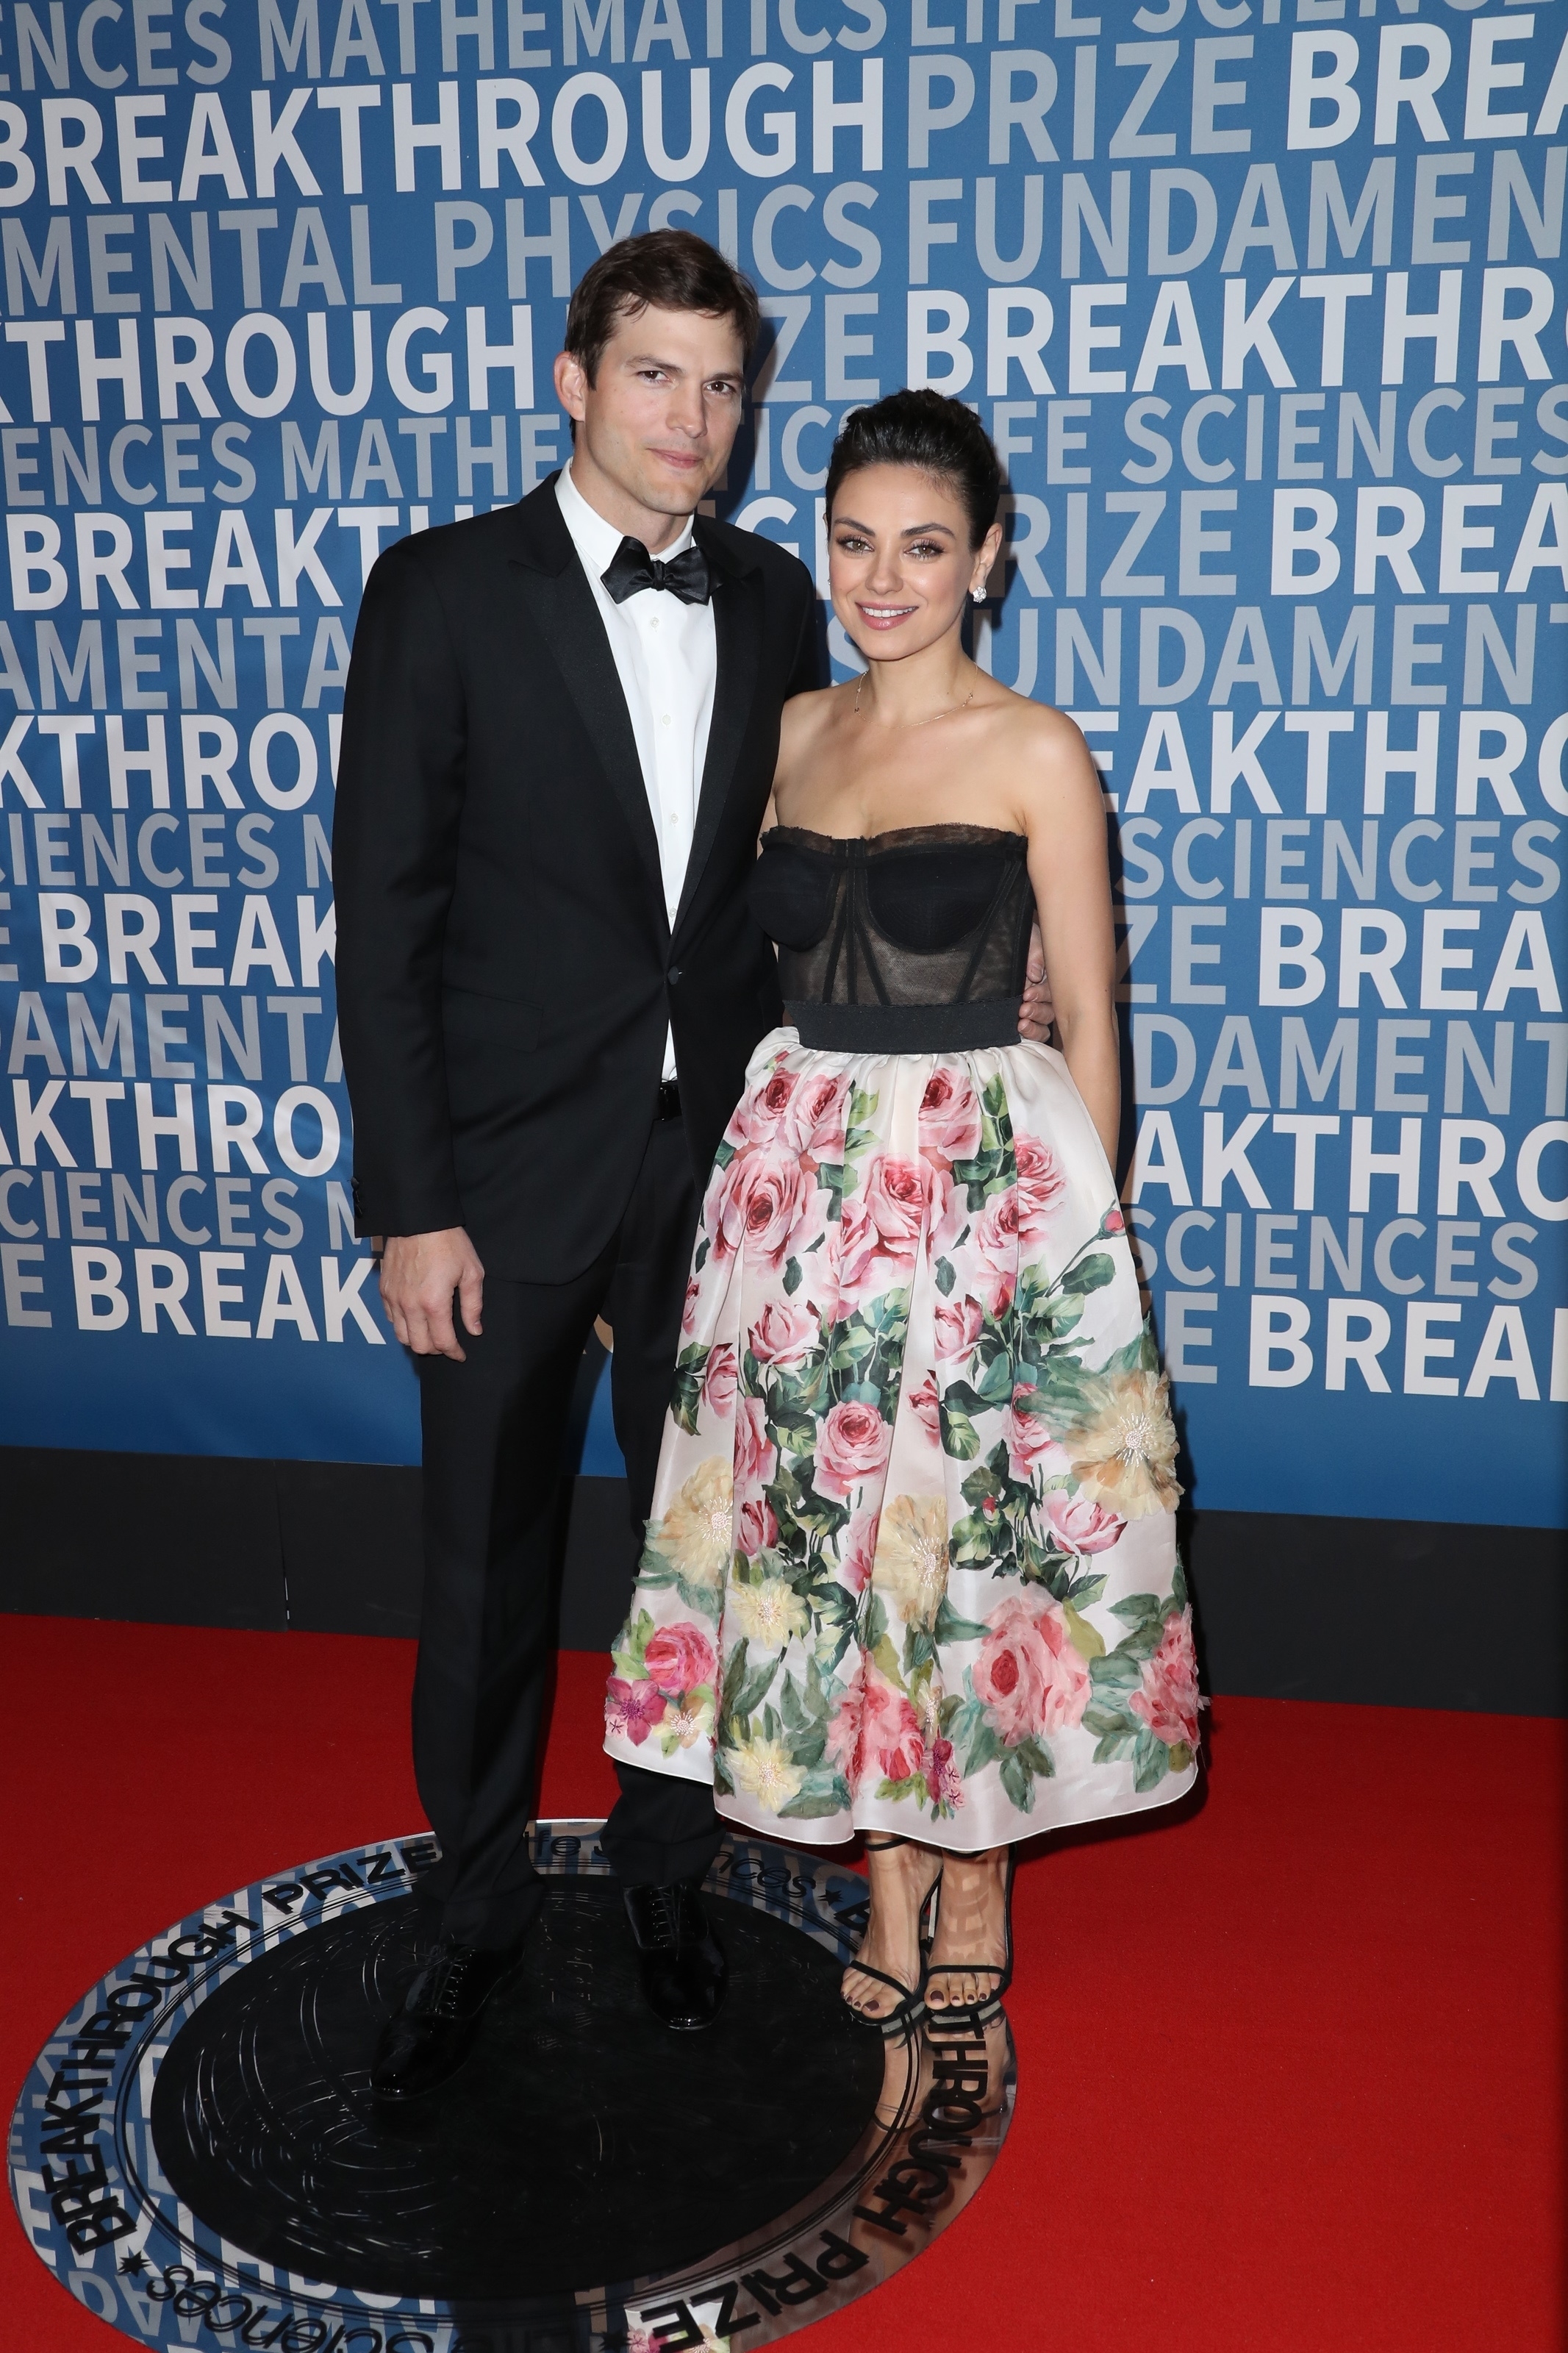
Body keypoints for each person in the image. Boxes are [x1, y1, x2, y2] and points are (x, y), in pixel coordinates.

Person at [336, 233, 1056, 2096]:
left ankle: (671, 1870)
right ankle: (470, 1908)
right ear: (572, 380)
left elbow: (805, 869)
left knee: (714, 1552)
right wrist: (412, 1203)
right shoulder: (440, 591)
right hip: (502, 1176)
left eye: (724, 384)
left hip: (738, 1176)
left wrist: (993, 976)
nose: (694, 417)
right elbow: (382, 917)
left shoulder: (772, 597)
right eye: (655, 374)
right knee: (483, 1564)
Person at [604, 390, 1200, 2042]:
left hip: (983, 1188)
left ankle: (974, 1869)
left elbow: (1091, 1018)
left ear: (985, 558)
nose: (882, 580)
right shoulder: (794, 729)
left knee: (963, 1535)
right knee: (824, 1532)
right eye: (854, 542)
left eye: (923, 547)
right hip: (796, 1187)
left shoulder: (1033, 749)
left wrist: (1084, 1250)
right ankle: (883, 1873)